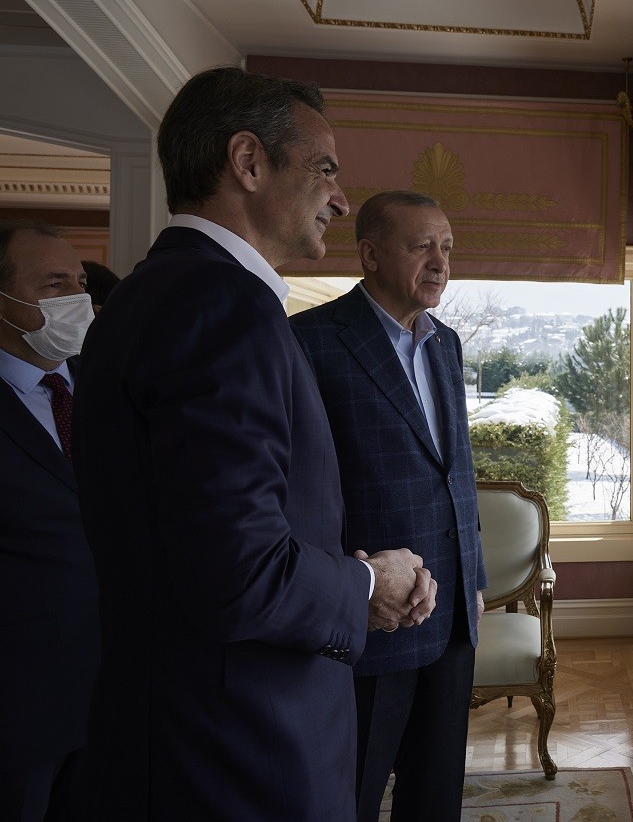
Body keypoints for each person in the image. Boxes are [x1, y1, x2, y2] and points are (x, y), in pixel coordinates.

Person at [71, 67, 436, 822]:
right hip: (240, 753)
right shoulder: (223, 308)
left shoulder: (151, 292)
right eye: (325, 168)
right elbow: (237, 571)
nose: (341, 199)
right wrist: (366, 586)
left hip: (178, 733)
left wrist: (349, 571)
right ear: (248, 161)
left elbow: (202, 536)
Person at [291, 190, 486, 822]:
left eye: (447, 247)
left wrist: (473, 580)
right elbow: (302, 488)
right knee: (350, 794)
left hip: (451, 615)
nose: (440, 262)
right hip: (372, 614)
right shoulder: (310, 340)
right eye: (421, 246)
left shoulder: (445, 342)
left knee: (435, 796)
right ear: (370, 254)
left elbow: (457, 470)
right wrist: (349, 587)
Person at [0, 221, 98, 822]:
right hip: (19, 711)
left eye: (80, 283)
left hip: (119, 696)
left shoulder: (111, 387)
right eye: (54, 284)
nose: (76, 300)